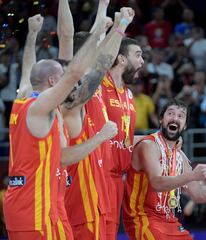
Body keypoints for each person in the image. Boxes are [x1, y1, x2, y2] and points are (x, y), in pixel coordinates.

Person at [2, 11, 109, 240]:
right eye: (62, 77)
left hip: (22, 206)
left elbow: (28, 71)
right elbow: (74, 73)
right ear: (52, 81)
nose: (69, 83)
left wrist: (31, 35)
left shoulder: (22, 99)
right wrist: (98, 32)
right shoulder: (41, 107)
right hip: (37, 210)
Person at [59, 7, 135, 240]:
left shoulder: (96, 90)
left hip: (99, 195)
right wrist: (120, 26)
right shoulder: (75, 94)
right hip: (81, 199)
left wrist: (103, 8)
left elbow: (100, 55)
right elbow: (69, 40)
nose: (104, 59)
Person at [122, 100, 206, 239]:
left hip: (169, 220)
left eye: (181, 116)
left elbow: (199, 194)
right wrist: (191, 176)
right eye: (170, 113)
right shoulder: (149, 145)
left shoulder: (179, 156)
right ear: (161, 119)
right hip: (143, 219)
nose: (175, 118)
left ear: (185, 125)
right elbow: (157, 183)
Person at [100, 36, 144, 237]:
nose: (142, 61)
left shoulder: (128, 93)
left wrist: (159, 140)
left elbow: (126, 139)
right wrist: (119, 25)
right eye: (138, 55)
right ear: (121, 59)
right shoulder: (99, 85)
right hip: (98, 176)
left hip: (118, 179)